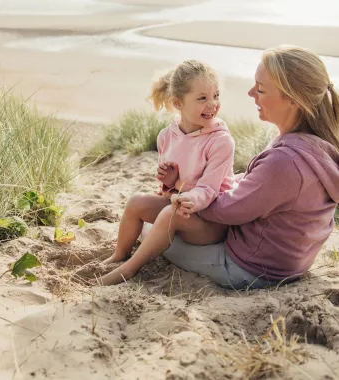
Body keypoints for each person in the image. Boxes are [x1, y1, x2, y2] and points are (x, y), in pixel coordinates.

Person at [101, 45, 339, 289]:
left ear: (292, 99)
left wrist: (188, 195)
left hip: (250, 267)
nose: (250, 93)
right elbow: (262, 190)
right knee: (154, 211)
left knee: (152, 230)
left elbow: (232, 210)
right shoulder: (313, 147)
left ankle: (127, 270)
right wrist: (192, 187)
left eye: (260, 88)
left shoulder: (285, 162)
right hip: (286, 259)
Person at [98, 60, 236, 285]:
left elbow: (209, 189)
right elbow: (174, 188)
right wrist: (170, 183)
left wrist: (188, 198)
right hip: (181, 207)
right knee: (136, 202)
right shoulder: (166, 136)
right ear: (178, 103)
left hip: (211, 222)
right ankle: (119, 255)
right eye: (202, 98)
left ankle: (129, 269)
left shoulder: (221, 141)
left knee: (169, 213)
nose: (212, 104)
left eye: (216, 95)